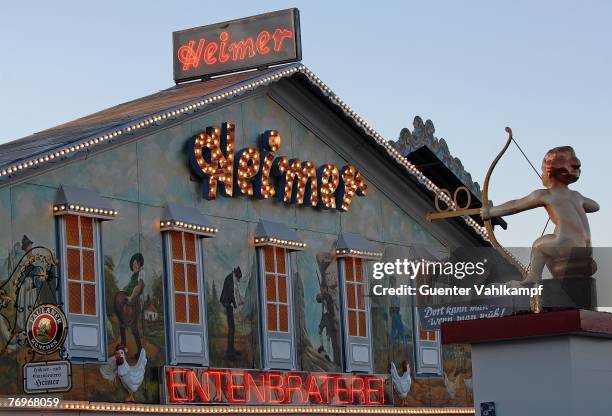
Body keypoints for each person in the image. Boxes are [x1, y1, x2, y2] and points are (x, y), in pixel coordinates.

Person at [482, 146, 599, 285]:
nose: (541, 174)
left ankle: (533, 278)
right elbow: (595, 206)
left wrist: (491, 212)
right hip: (585, 250)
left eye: (543, 171)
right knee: (553, 248)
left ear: (550, 172)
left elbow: (515, 205)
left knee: (539, 245)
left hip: (568, 245)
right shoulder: (577, 196)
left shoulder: (544, 195)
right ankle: (560, 283)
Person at [116, 253, 144, 356]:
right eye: (133, 263)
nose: (134, 265)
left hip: (134, 302)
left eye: (136, 263)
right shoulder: (133, 276)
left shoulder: (141, 274)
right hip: (129, 298)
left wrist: (131, 297)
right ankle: (123, 345)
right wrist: (123, 290)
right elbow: (129, 285)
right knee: (122, 322)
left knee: (133, 327)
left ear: (140, 264)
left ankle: (140, 350)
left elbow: (138, 288)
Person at [220, 267, 243, 359]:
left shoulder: (232, 278)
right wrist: (237, 306)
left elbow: (236, 293)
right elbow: (232, 295)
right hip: (227, 304)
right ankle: (230, 352)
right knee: (232, 328)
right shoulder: (230, 280)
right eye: (238, 278)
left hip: (228, 304)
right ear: (236, 275)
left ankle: (231, 349)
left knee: (232, 328)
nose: (238, 280)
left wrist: (240, 301)